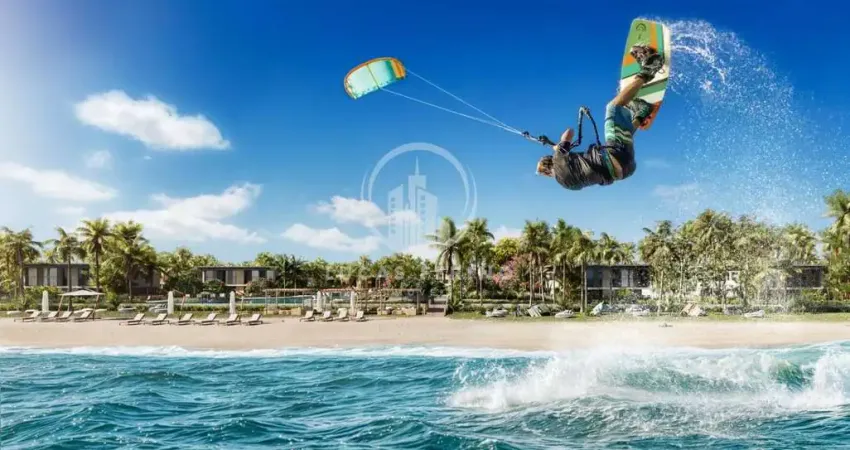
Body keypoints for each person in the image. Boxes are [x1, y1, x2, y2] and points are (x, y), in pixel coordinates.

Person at [536, 44, 664, 190]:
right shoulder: (559, 158)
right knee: (613, 108)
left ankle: (642, 114)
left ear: (547, 174)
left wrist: (556, 148)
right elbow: (569, 133)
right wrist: (557, 145)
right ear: (550, 160)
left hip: (625, 169)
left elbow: (574, 166)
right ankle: (649, 68)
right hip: (615, 155)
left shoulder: (567, 185)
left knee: (619, 135)